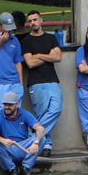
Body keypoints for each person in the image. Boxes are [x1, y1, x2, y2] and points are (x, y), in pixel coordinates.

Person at [17, 12, 65, 143]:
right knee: (42, 115)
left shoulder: (51, 38)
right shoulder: (26, 41)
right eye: (30, 20)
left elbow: (58, 57)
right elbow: (30, 63)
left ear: (41, 20)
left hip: (52, 80)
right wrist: (48, 56)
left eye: (35, 19)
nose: (33, 23)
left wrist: (38, 55)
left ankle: (32, 135)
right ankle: (47, 145)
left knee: (56, 109)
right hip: (36, 83)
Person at [0, 94, 45, 175]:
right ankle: (11, 169)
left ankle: (25, 167)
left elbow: (40, 128)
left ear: (17, 104)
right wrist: (3, 140)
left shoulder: (24, 114)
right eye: (5, 104)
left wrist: (35, 142)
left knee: (42, 139)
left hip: (24, 147)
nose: (7, 107)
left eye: (10, 104)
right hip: (8, 147)